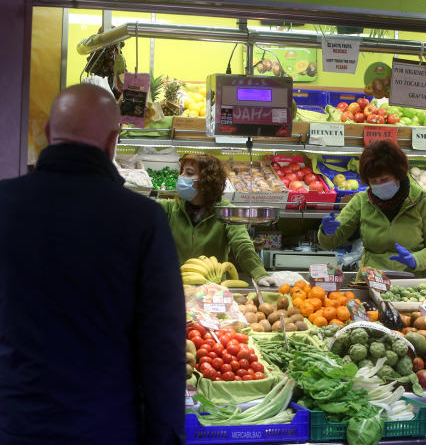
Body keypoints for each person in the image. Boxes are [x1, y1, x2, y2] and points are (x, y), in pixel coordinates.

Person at [0, 84, 185, 444]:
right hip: (106, 425)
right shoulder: (144, 220)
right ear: (112, 141)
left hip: (13, 422)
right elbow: (163, 349)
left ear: (48, 134)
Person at [318, 139, 426, 278]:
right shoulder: (362, 200)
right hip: (372, 281)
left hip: (414, 284)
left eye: (384, 180)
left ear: (398, 175)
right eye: (373, 181)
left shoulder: (421, 200)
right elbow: (330, 242)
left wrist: (416, 260)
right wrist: (326, 232)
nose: (379, 185)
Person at [158, 153, 278, 286]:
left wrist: (258, 273)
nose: (181, 177)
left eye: (189, 173)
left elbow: (241, 243)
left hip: (214, 288)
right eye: (182, 172)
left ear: (207, 181)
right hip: (175, 285)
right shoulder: (169, 209)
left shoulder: (226, 212)